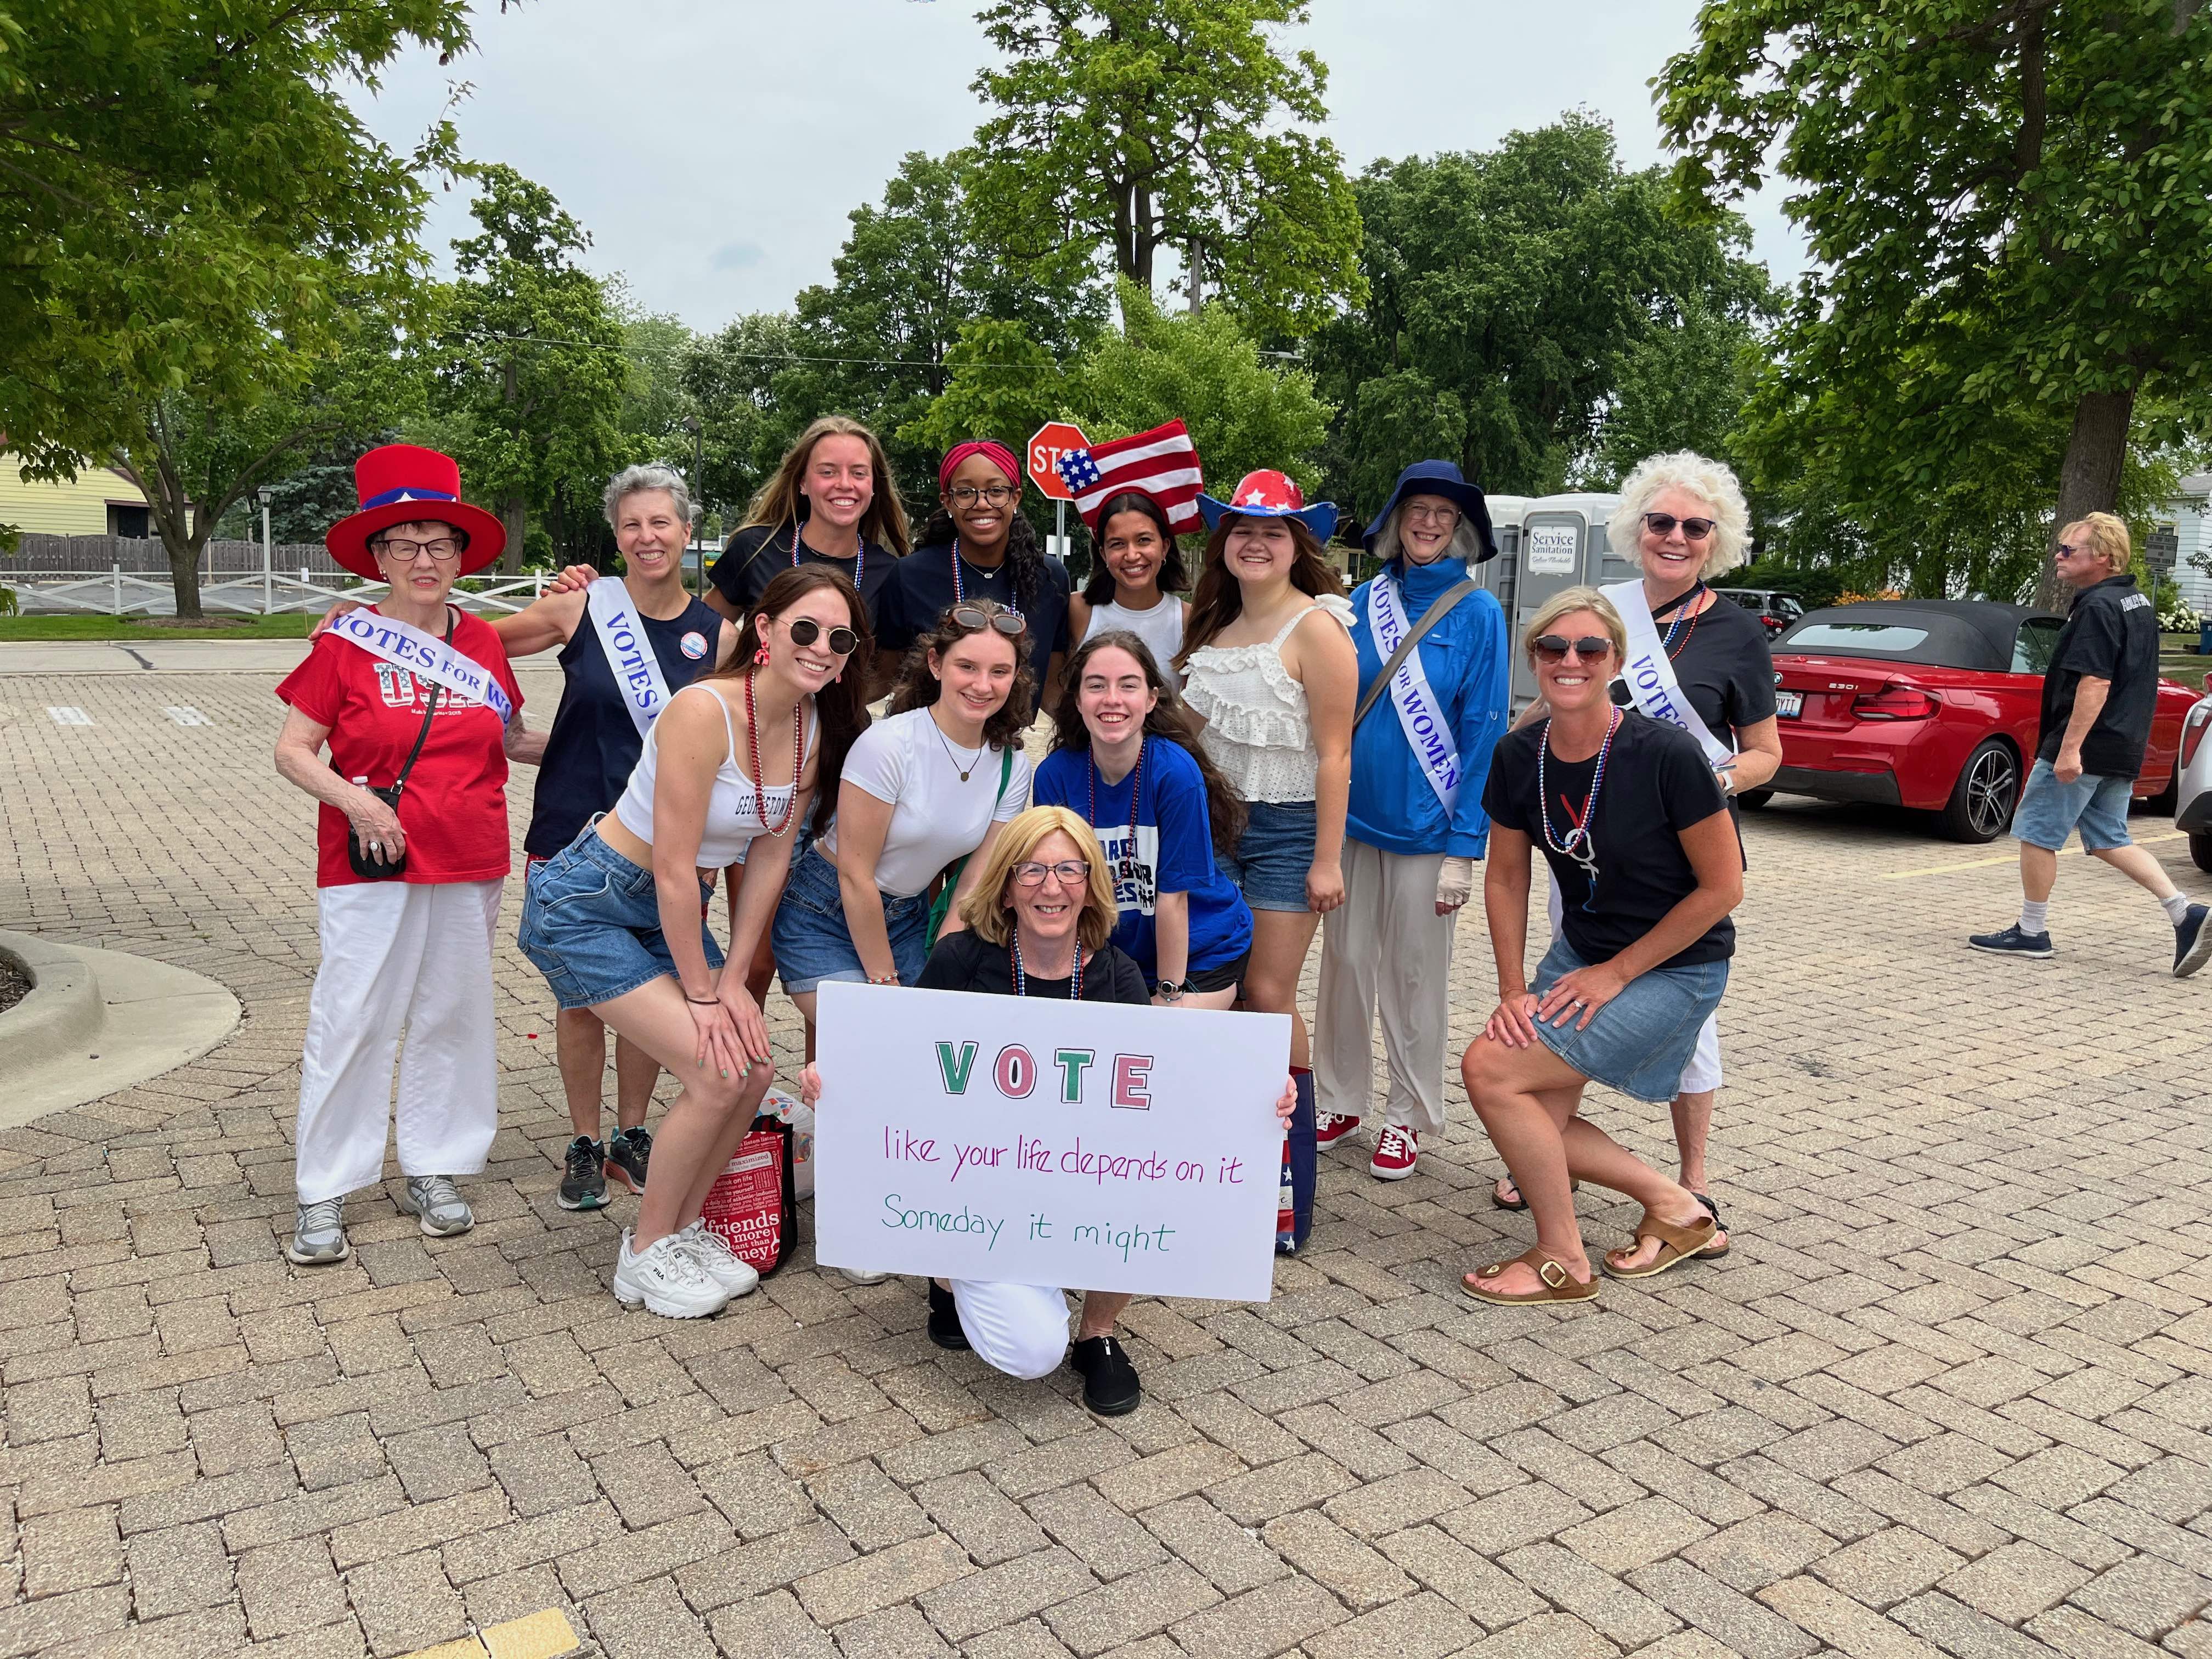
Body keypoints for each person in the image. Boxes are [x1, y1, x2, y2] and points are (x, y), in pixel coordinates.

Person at [795, 805, 1296, 1415]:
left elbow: (1163, 1103)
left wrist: (1255, 1102)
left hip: (1074, 1181)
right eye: (1030, 871)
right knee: (1032, 1353)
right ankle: (948, 1269)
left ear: (1090, 887)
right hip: (976, 1188)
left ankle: (1098, 1333)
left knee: (1143, 1185)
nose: (1050, 887)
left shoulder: (1116, 976)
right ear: (1006, 888)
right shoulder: (962, 961)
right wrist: (838, 1084)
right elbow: (905, 1068)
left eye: (1068, 870)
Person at [518, 566, 870, 1318]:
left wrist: (738, 980)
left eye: (838, 638)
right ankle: (643, 1253)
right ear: (765, 632)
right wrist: (708, 996)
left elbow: (771, 855)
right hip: (589, 902)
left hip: (659, 911)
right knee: (717, 1070)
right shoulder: (701, 710)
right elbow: (678, 869)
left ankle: (683, 1227)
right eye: (804, 629)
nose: (820, 648)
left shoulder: (811, 729)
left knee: (752, 1070)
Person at [1493, 452, 1780, 1262]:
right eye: (1661, 523)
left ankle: (1691, 1186)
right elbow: (1552, 712)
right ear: (1636, 530)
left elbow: (1767, 753)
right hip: (1581, 833)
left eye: (1695, 526)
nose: (1676, 537)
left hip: (1682, 854)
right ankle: (1545, 1142)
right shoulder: (1599, 613)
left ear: (1716, 540)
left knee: (1689, 1031)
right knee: (1569, 997)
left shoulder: (1732, 631)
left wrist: (1711, 778)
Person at [274, 445, 544, 1266]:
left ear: (462, 554)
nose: (425, 561)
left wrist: (633, 750)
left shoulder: (483, 646)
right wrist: (357, 802)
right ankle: (325, 1184)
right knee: (353, 1016)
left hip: (469, 855)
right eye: (405, 543)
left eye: (440, 543)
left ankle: (437, 1164)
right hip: (370, 860)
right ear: (379, 555)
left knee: (452, 1016)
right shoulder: (345, 644)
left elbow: (511, 739)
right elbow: (294, 750)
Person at [1460, 588, 1737, 1305]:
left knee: (1491, 1073)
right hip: (1579, 958)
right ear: (1536, 661)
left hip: (1676, 968)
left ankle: (1564, 1258)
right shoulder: (1520, 755)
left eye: (1590, 648)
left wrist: (1615, 974)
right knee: (1533, 1126)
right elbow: (1506, 877)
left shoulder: (1665, 754)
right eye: (1554, 649)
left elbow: (1722, 889)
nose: (1571, 661)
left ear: (1616, 660)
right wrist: (1513, 987)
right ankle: (1679, 1210)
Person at [1314, 461, 1510, 1181]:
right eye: (1417, 510)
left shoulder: (1479, 614)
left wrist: (1466, 846)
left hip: (1430, 832)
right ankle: (1338, 1096)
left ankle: (1408, 1114)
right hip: (1352, 822)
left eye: (1443, 515)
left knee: (1414, 978)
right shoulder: (1361, 601)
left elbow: (1484, 733)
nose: (1428, 523)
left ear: (1459, 529)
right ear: (1395, 520)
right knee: (1344, 965)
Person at [1176, 470, 1357, 1159]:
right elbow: (1188, 731)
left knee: (1267, 991)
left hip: (1291, 832)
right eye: (1243, 530)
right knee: (1219, 980)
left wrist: (1327, 859)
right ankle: (1235, 1121)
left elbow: (1336, 755)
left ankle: (1294, 1138)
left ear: (1296, 544)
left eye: (1272, 532)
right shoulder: (1214, 623)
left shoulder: (1319, 627)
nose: (1255, 543)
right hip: (1216, 824)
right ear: (1225, 542)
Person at [773, 600, 1036, 1039]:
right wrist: (885, 980)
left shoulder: (1012, 766)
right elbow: (855, 875)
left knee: (933, 1040)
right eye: (967, 667)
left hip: (908, 919)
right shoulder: (889, 745)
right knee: (880, 1036)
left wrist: (944, 969)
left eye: (999, 672)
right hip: (823, 913)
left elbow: (972, 885)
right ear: (936, 664)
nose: (982, 685)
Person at [1972, 511, 2211, 975]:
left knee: (2037, 832)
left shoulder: (2098, 609)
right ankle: (2185, 913)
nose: (2058, 557)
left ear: (2102, 557)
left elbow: (2096, 682)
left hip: (2086, 745)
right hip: (2121, 744)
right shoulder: (2135, 601)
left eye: (2068, 550)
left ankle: (2032, 931)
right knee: (2109, 838)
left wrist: (2068, 750)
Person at [1035, 631, 1254, 1006]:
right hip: (1118, 954)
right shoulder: (1055, 775)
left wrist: (1168, 996)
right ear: (1078, 699)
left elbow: (1174, 901)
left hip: (1197, 951)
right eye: (1096, 685)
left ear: (1151, 699)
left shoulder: (1174, 774)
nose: (1112, 699)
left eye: (1129, 685)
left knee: (1163, 1046)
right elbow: (1061, 889)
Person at [877, 441, 1071, 699]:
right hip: (927, 734)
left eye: (996, 491)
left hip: (1011, 737)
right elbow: (884, 678)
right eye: (966, 492)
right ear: (948, 502)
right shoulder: (909, 575)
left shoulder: (1051, 578)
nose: (982, 504)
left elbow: (1053, 689)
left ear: (1015, 498)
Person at [706, 416, 909, 629]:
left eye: (859, 473)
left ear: (873, 485)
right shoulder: (755, 549)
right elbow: (701, 637)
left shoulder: (890, 574)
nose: (845, 484)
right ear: (803, 482)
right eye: (828, 472)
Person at [1065, 489, 1189, 672]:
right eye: (1118, 544)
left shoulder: (1188, 619)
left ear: (1164, 548)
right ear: (1103, 554)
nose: (1132, 555)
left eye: (1144, 540)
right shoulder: (1076, 610)